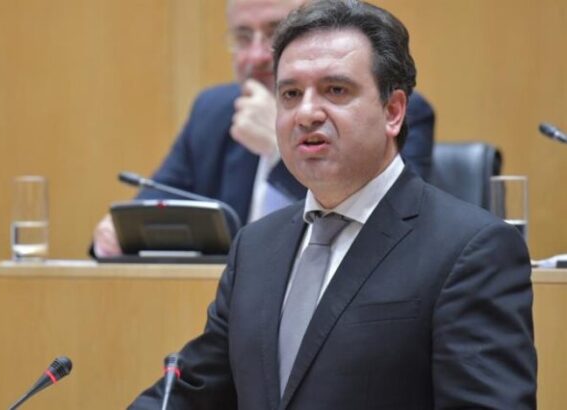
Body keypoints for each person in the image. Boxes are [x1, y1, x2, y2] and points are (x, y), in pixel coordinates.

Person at [127, 0, 536, 408]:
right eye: (290, 94)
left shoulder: (472, 249)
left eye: (335, 90)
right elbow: (193, 392)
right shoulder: (255, 246)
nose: (306, 113)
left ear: (393, 111)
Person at [91, 0, 435, 258]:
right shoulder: (215, 112)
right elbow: (150, 211)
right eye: (243, 37)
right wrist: (116, 233)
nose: (255, 56)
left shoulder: (390, 110)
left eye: (274, 33)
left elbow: (394, 233)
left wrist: (281, 147)